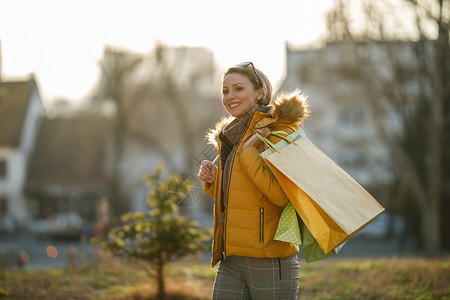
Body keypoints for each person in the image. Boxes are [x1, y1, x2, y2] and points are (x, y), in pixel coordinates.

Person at [197, 62, 309, 300]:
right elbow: (241, 197)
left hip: (268, 260)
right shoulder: (231, 136)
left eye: (238, 88)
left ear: (260, 92)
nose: (230, 96)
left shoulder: (281, 131)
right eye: (225, 91)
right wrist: (214, 181)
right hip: (231, 257)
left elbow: (281, 197)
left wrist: (249, 154)